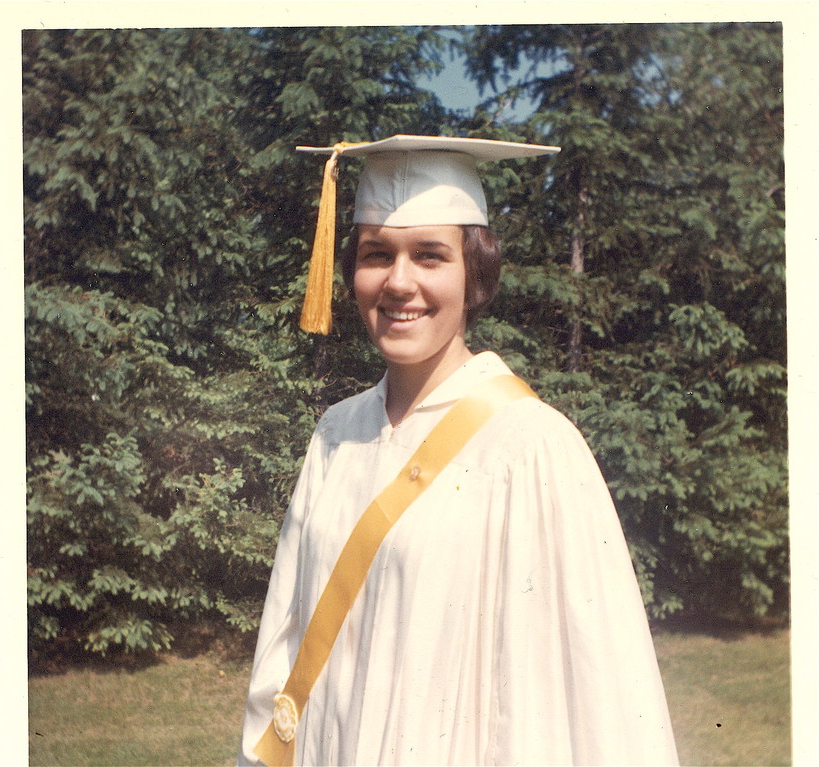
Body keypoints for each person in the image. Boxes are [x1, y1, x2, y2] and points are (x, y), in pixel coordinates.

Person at [238, 135, 679, 766]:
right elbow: (283, 645)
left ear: (475, 275)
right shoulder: (336, 435)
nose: (398, 282)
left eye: (430, 256)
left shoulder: (532, 447)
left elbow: (584, 690)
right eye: (375, 255)